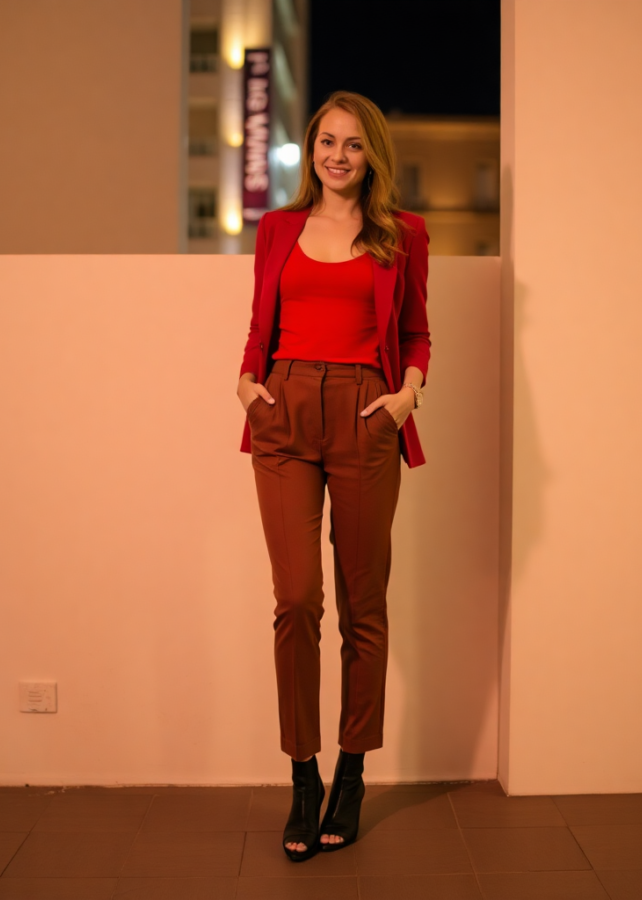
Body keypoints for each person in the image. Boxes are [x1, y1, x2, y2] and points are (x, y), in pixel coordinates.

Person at [236, 91, 430, 861]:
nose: (337, 156)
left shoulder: (400, 234)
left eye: (352, 144)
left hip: (362, 412)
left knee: (361, 603)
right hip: (283, 412)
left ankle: (351, 773)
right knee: (294, 600)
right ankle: (302, 777)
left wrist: (405, 394)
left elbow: (415, 329)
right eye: (325, 142)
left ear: (370, 153)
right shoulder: (278, 228)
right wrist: (248, 383)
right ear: (309, 148)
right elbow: (260, 322)